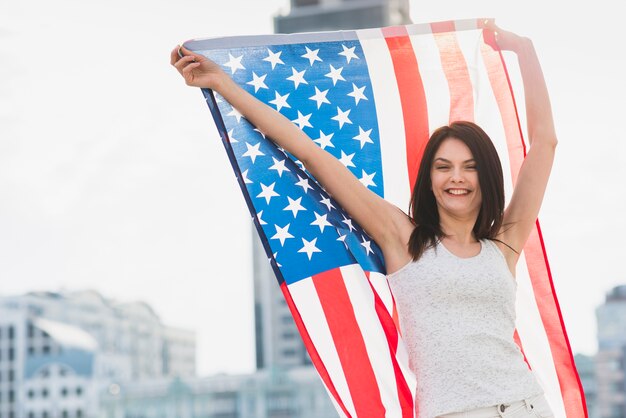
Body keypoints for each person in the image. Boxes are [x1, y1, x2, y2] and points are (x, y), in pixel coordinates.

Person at [171, 20, 557, 418]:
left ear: (486, 177)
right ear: (429, 178)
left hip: (528, 405)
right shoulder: (403, 237)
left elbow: (544, 143)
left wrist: (524, 51)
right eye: (443, 167)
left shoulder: (504, 244)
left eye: (469, 167)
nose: (456, 177)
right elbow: (310, 153)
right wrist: (222, 83)